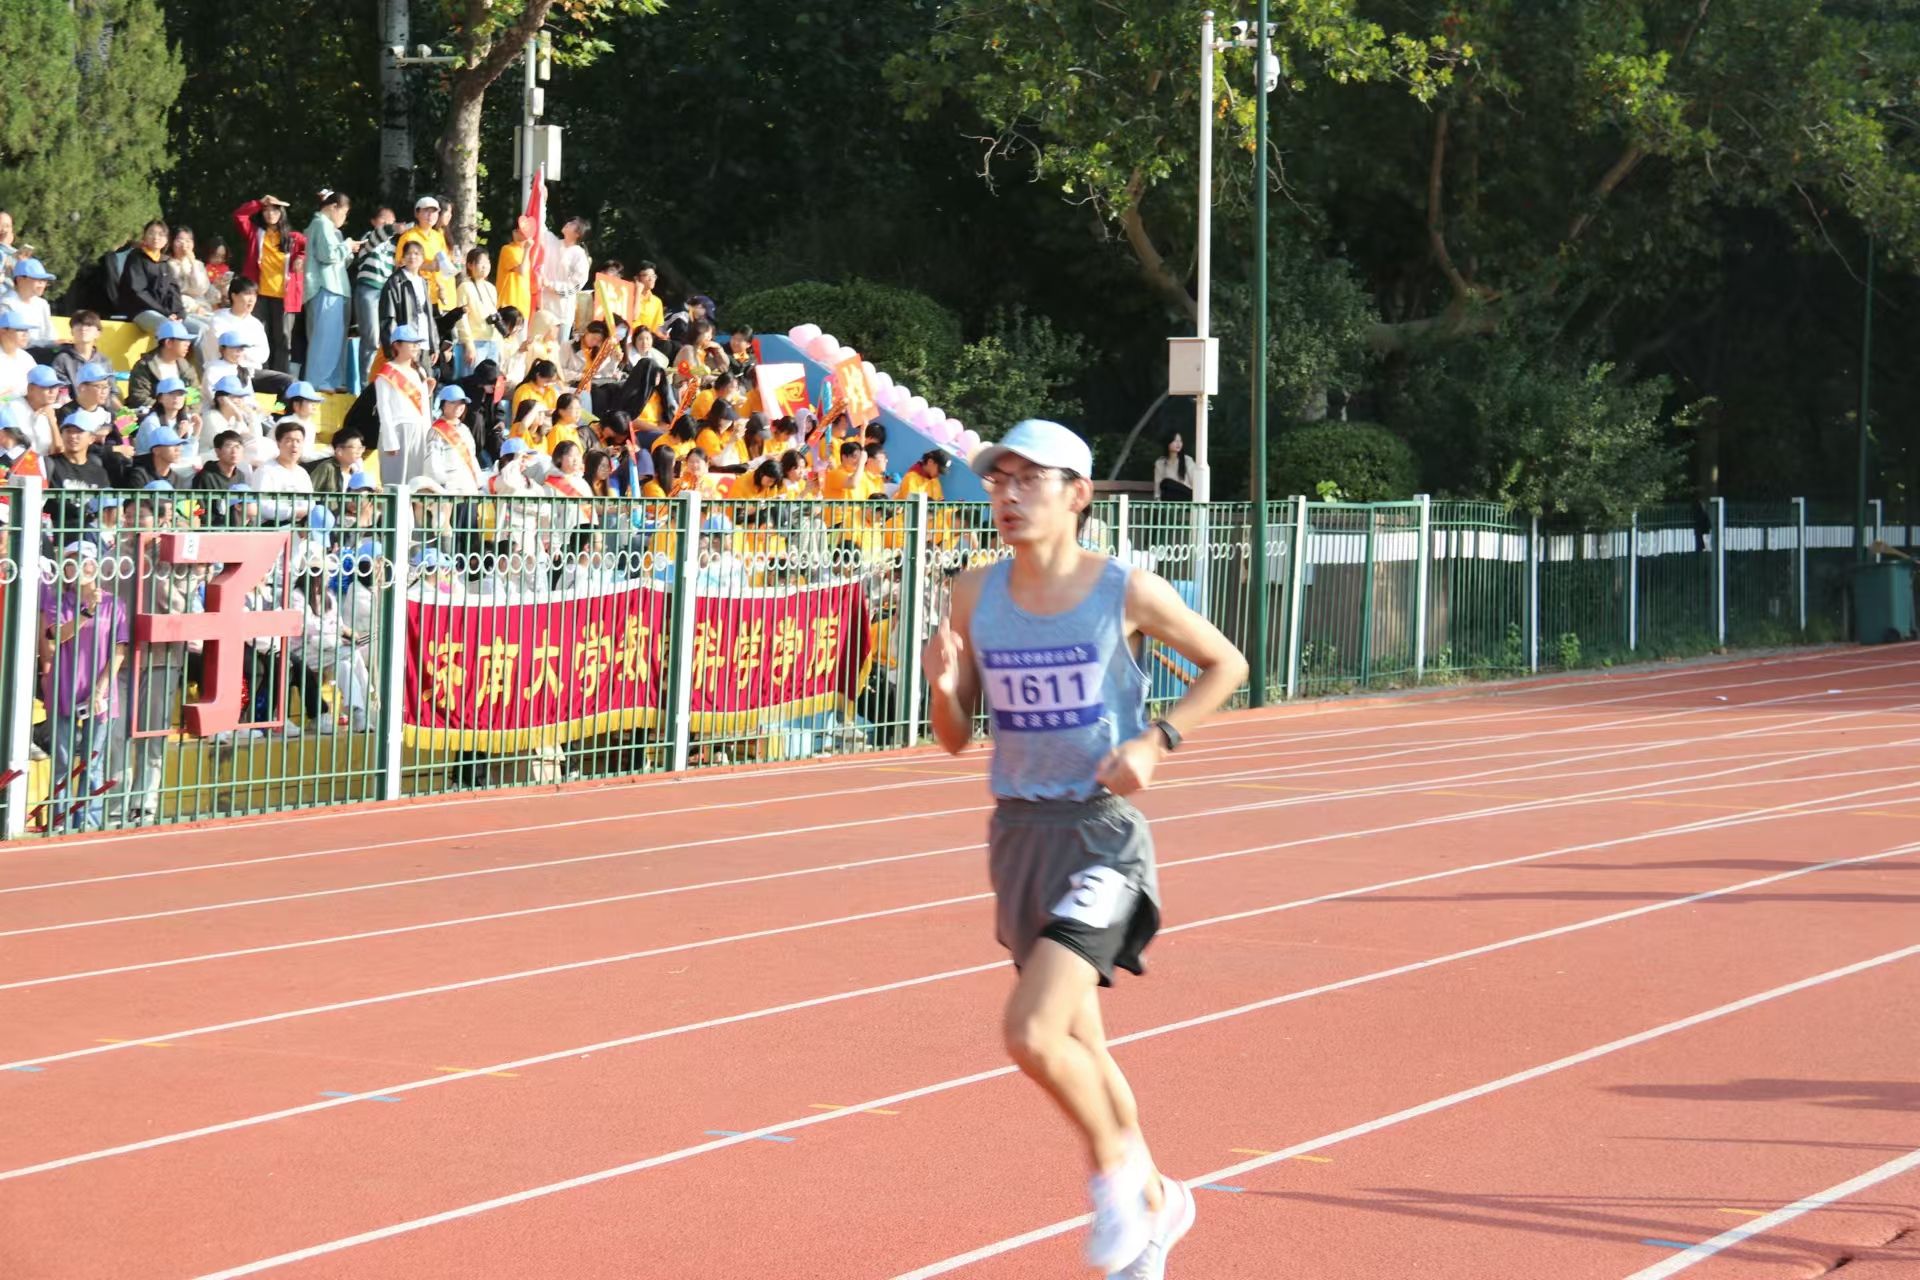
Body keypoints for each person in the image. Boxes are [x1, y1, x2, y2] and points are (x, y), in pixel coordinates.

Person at [920, 419, 1246, 1279]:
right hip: (1019, 840)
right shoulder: (973, 593)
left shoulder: (1124, 590)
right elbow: (954, 736)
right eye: (999, 480)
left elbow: (1227, 663)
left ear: (1078, 494)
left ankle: (1118, 1182)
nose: (1009, 495)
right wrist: (940, 685)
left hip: (1101, 839)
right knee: (1083, 1047)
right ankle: (1159, 1207)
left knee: (1032, 1033)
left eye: (1030, 479)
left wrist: (1157, 741)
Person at [39, 540, 129, 833]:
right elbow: (57, 635)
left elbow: (119, 649)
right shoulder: (57, 601)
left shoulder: (115, 604)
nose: (80, 567)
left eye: (86, 561)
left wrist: (101, 690)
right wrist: (86, 612)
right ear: (65, 568)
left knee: (93, 762)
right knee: (63, 761)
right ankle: (60, 823)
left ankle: (88, 824)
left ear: (97, 566)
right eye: (72, 561)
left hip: (100, 693)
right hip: (64, 687)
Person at [233, 194, 307, 372]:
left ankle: (280, 377)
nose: (270, 214)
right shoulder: (256, 233)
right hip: (259, 295)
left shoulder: (294, 237)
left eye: (274, 210)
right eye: (266, 210)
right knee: (259, 336)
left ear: (281, 213)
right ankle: (259, 375)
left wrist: (301, 258)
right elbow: (239, 216)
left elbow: (310, 248)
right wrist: (258, 203)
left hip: (285, 296)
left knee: (283, 340)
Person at [303, 189, 359, 392]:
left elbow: (338, 259)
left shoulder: (333, 230)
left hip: (337, 287)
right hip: (325, 286)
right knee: (324, 337)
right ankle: (318, 380)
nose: (344, 218)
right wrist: (347, 246)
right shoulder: (320, 223)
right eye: (344, 213)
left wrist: (348, 250)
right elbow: (327, 254)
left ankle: (333, 380)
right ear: (334, 207)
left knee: (336, 338)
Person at [199, 278, 291, 395]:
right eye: (247, 294)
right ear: (234, 296)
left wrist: (239, 351)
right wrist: (247, 350)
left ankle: (282, 407)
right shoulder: (218, 320)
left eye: (254, 295)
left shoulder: (256, 323)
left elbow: (263, 355)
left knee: (287, 382)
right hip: (223, 372)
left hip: (251, 372)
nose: (252, 299)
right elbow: (224, 351)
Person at [123, 219, 205, 342]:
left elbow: (173, 291)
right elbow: (139, 292)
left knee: (201, 329)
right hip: (141, 310)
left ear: (166, 240)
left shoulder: (164, 262)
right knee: (170, 328)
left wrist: (179, 313)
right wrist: (165, 313)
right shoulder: (136, 258)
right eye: (151, 233)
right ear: (144, 236)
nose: (156, 237)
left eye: (161, 234)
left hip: (166, 313)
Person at [374, 323, 432, 485]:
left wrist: (427, 434)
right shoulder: (387, 372)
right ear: (397, 345)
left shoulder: (420, 371)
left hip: (418, 429)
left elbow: (425, 407)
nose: (416, 347)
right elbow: (384, 408)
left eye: (417, 343)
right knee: (395, 482)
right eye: (411, 343)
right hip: (397, 429)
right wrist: (389, 439)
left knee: (416, 481)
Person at [350, 208, 398, 383]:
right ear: (374, 221)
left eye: (391, 222)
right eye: (384, 221)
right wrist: (392, 229)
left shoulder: (394, 246)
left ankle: (381, 379)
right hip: (368, 289)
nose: (388, 225)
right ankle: (366, 382)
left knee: (386, 339)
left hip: (386, 294)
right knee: (371, 338)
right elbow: (377, 237)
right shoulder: (368, 238)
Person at [380, 237, 439, 352]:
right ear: (403, 258)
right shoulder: (395, 282)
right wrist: (392, 347)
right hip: (405, 346)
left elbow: (428, 316)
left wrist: (434, 346)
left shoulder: (424, 282)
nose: (412, 257)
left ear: (422, 259)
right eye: (408, 253)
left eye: (416, 253)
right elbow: (388, 316)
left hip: (424, 343)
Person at [126, 320, 201, 411]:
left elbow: (195, 399)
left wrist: (187, 414)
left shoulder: (187, 368)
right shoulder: (144, 367)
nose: (188, 344)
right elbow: (139, 398)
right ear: (168, 343)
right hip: (152, 416)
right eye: (183, 340)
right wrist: (167, 410)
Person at [542, 216, 592, 345]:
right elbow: (540, 222)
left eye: (573, 223)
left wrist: (551, 285)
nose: (568, 223)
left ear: (578, 233)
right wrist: (541, 202)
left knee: (557, 351)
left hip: (561, 312)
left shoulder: (579, 255)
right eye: (569, 221)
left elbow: (576, 285)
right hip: (543, 307)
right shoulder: (552, 242)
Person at [453, 247, 500, 379]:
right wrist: (468, 343)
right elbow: (461, 318)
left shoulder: (491, 288)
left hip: (492, 341)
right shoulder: (464, 286)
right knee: (473, 380)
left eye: (487, 262)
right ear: (470, 265)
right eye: (481, 262)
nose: (485, 266)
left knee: (491, 381)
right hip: (475, 342)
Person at [7, 258, 57, 346]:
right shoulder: (6, 304)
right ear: (20, 280)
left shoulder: (42, 304)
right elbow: (10, 340)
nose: (42, 284)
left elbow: (51, 335)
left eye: (44, 280)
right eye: (38, 279)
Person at [306, 428, 365, 494]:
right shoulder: (327, 468)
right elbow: (309, 494)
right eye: (355, 447)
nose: (359, 452)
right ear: (339, 451)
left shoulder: (356, 472)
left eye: (361, 448)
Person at [1153, 434, 1194, 502]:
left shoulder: (1187, 460)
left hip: (1186, 495)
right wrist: (1157, 499)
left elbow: (1195, 482)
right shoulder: (1160, 462)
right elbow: (1158, 483)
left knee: (1167, 483)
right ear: (1168, 443)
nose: (1178, 443)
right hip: (1169, 496)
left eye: (1180, 441)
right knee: (1166, 484)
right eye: (1175, 440)